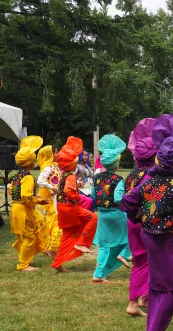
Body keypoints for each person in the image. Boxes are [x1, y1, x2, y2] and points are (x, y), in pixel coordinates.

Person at [121, 114, 173, 331]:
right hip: (165, 242)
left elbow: (128, 202)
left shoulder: (146, 183)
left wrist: (139, 219)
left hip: (149, 237)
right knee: (171, 292)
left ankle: (151, 330)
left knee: (156, 287)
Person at [124, 117, 158, 317]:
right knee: (153, 260)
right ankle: (142, 298)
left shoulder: (131, 175)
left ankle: (138, 300)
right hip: (146, 223)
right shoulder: (153, 177)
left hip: (131, 221)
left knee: (139, 261)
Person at [51, 137, 98, 272]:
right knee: (93, 218)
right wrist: (78, 197)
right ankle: (82, 243)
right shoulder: (70, 176)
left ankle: (58, 263)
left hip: (61, 207)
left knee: (67, 235)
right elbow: (68, 191)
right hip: (69, 207)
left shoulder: (64, 174)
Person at [91, 134, 132, 283]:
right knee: (130, 236)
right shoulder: (118, 179)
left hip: (102, 215)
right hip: (116, 213)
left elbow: (93, 196)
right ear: (117, 165)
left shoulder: (96, 178)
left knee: (103, 245)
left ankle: (98, 275)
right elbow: (118, 198)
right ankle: (125, 254)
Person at [9, 136, 48, 271]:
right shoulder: (28, 177)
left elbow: (11, 191)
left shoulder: (17, 175)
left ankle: (24, 260)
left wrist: (33, 196)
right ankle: (23, 265)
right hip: (23, 210)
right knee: (29, 236)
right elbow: (25, 196)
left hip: (15, 208)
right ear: (30, 162)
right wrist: (38, 200)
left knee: (23, 236)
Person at [37, 145, 63, 259]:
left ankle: (48, 246)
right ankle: (49, 246)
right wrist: (51, 187)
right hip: (51, 200)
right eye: (56, 153)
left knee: (52, 223)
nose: (58, 154)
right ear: (50, 154)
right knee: (52, 222)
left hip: (55, 198)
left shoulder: (54, 166)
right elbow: (40, 181)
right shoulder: (48, 167)